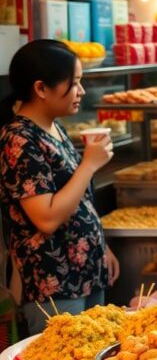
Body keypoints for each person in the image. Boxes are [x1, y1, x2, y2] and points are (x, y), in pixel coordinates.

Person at [0, 40, 119, 334]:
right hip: (55, 284)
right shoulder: (19, 139)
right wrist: (89, 164)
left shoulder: (54, 126)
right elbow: (47, 218)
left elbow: (77, 199)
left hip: (87, 272)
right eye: (75, 83)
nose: (81, 91)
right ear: (41, 88)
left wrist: (101, 246)